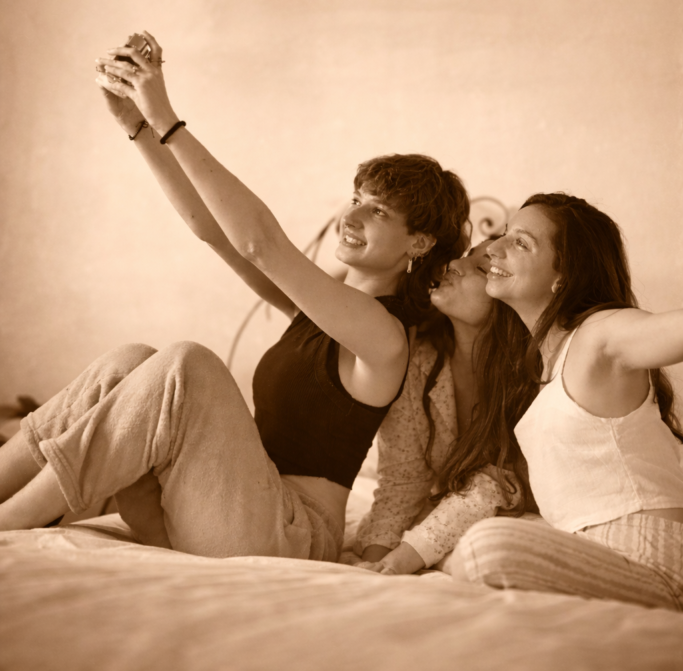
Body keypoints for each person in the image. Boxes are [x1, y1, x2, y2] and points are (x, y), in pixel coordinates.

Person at [0, 31, 470, 564]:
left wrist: (166, 118)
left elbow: (259, 243)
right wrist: (136, 125)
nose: (352, 215)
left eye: (378, 211)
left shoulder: (384, 338)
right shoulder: (317, 310)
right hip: (221, 508)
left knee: (188, 364)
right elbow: (214, 232)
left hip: (288, 532)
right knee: (129, 362)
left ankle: (10, 521)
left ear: (419, 243)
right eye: (357, 198)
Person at [452, 193, 683, 610]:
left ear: (564, 276)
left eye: (521, 243)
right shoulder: (538, 370)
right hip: (594, 552)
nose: (493, 249)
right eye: (503, 234)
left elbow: (671, 331)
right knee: (476, 546)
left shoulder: (597, 335)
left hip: (652, 556)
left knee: (483, 546)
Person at [354, 240, 536, 574]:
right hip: (449, 512)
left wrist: (401, 558)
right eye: (465, 255)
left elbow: (498, 483)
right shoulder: (419, 361)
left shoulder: (530, 380)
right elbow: (403, 480)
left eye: (480, 268)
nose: (454, 264)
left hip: (521, 519)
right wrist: (374, 560)